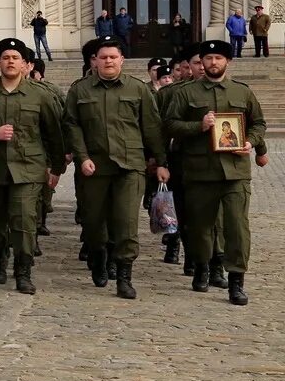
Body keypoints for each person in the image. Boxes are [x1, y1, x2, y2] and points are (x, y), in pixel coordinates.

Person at [162, 40, 267, 305]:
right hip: (200, 171)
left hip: (235, 172)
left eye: (218, 58)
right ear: (201, 62)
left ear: (227, 62)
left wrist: (250, 142)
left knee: (237, 227)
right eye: (208, 58)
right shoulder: (185, 93)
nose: (213, 63)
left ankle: (236, 281)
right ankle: (201, 267)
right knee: (200, 226)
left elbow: (258, 123)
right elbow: (170, 124)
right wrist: (199, 125)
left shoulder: (242, 92)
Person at [63, 36, 167, 299]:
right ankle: (97, 257)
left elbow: (152, 127)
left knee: (126, 223)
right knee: (94, 224)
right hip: (94, 167)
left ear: (121, 60)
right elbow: (72, 126)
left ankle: (124, 276)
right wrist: (81, 156)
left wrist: (161, 162)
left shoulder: (137, 89)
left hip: (130, 166)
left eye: (113, 57)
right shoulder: (80, 90)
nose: (108, 61)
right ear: (94, 61)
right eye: (103, 57)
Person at [0, 38, 66, 294]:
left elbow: (54, 134)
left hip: (28, 169)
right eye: (6, 57)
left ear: (25, 64)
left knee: (24, 221)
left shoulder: (40, 94)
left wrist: (56, 169)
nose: (10, 62)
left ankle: (23, 271)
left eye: (15, 58)